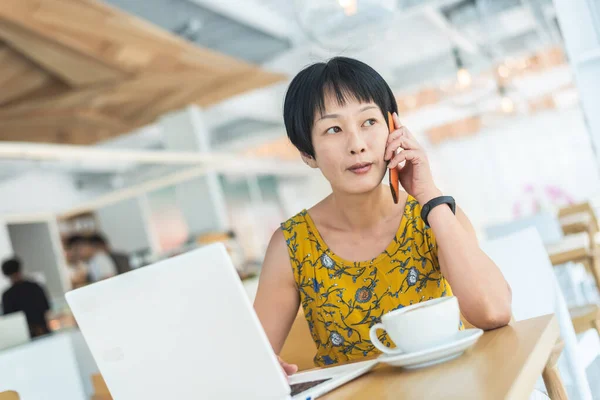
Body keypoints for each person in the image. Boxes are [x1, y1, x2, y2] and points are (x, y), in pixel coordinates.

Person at [253, 57, 512, 374]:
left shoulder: (432, 214)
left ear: (394, 128)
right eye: (333, 129)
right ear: (308, 153)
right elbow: (254, 363)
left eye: (369, 122)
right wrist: (266, 371)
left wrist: (428, 193)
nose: (357, 145)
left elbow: (495, 311)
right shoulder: (291, 245)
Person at [2, 257, 51, 337]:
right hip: (42, 330)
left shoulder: (7, 295)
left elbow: (9, 318)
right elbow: (46, 308)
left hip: (24, 334)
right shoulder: (35, 287)